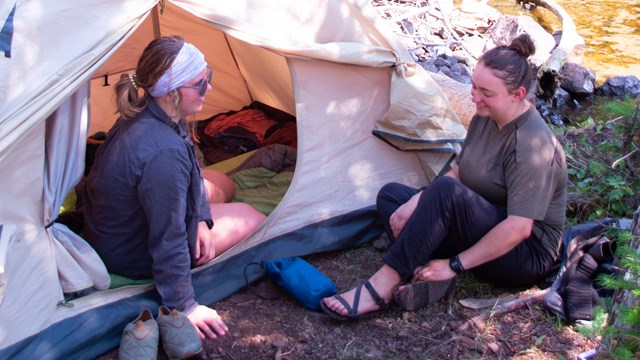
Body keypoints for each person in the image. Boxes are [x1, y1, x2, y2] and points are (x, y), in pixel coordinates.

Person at [321, 33, 567, 320]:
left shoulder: (532, 145)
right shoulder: (485, 118)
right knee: (393, 197)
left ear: (518, 95)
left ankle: (382, 286)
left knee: (443, 192)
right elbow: (459, 172)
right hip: (484, 224)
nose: (475, 97)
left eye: (487, 93)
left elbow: (518, 229)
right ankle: (427, 272)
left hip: (523, 253)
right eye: (474, 87)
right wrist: (416, 202)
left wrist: (455, 264)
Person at [83, 35, 267, 338]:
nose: (209, 87)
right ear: (170, 92)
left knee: (221, 183)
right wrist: (185, 305)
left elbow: (192, 173)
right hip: (130, 250)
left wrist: (198, 218)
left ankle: (203, 214)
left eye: (207, 76)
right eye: (199, 83)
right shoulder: (163, 154)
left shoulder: (149, 110)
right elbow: (167, 237)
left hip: (117, 224)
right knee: (251, 216)